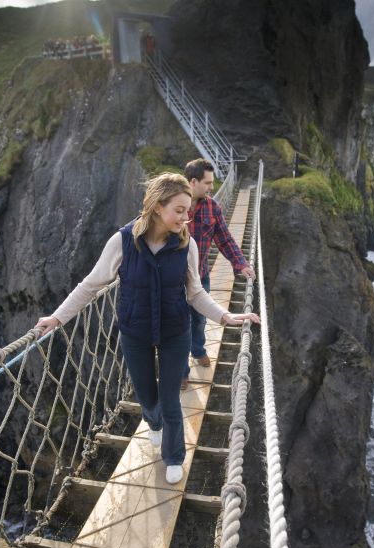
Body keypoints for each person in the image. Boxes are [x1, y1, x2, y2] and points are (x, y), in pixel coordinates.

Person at [34, 173, 260, 485]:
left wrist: (226, 317)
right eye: (179, 210)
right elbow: (90, 286)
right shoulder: (123, 242)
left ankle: (174, 456)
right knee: (147, 397)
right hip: (135, 333)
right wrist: (57, 319)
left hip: (175, 332)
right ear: (157, 207)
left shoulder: (187, 245)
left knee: (171, 399)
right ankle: (152, 423)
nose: (186, 217)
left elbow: (195, 293)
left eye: (188, 210)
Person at [181, 159, 256, 390]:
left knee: (200, 319)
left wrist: (240, 263)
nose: (212, 187)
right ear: (193, 182)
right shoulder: (172, 206)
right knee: (178, 325)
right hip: (172, 281)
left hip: (200, 275)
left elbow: (223, 238)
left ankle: (199, 349)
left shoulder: (212, 207)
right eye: (208, 182)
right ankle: (181, 371)